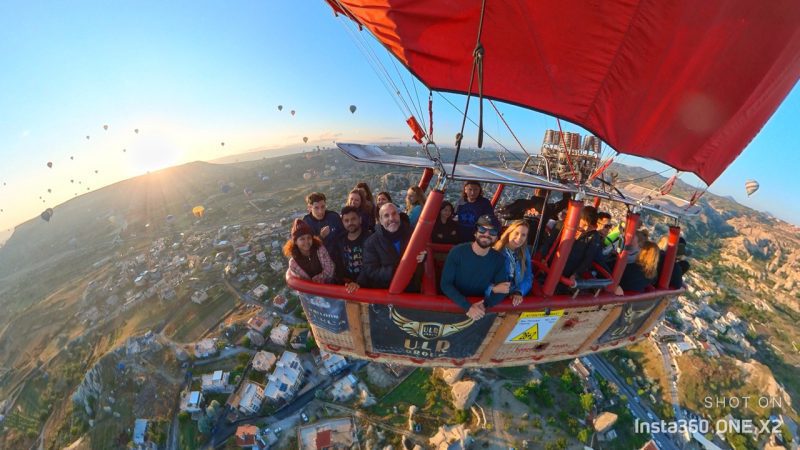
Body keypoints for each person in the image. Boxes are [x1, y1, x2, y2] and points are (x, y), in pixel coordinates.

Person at [441, 215, 510, 320]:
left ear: (496, 238)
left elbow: (503, 289)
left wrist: (485, 305)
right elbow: (446, 284)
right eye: (482, 229)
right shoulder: (457, 252)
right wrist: (468, 307)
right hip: (454, 305)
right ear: (475, 232)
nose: (486, 234)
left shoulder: (499, 259)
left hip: (479, 309)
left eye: (492, 232)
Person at [358, 203, 425, 290]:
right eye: (386, 216)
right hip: (386, 292)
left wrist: (423, 257)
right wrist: (394, 271)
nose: (391, 218)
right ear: (381, 221)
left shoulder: (413, 234)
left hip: (412, 289)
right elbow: (371, 270)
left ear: (399, 216)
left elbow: (422, 252)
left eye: (394, 214)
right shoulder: (371, 243)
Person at [330, 206, 371, 293]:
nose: (350, 223)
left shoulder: (370, 239)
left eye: (353, 219)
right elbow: (337, 262)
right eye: (346, 220)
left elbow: (370, 264)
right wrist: (343, 280)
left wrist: (358, 283)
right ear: (343, 222)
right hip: (346, 285)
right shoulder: (340, 240)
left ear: (360, 219)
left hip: (367, 285)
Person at [560, 206, 604, 286]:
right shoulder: (567, 226)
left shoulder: (594, 236)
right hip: (554, 264)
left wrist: (576, 274)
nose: (586, 228)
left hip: (569, 272)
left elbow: (588, 258)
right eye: (584, 224)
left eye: (589, 226)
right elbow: (550, 243)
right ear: (578, 219)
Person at [493, 220, 532, 306]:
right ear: (509, 232)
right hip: (497, 297)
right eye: (516, 233)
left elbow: (528, 276)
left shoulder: (524, 252)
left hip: (515, 296)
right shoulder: (496, 251)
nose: (519, 238)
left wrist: (519, 291)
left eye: (523, 235)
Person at [284, 219, 335, 283]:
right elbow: (301, 282)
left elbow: (330, 269)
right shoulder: (294, 263)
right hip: (310, 292)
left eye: (309, 237)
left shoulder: (319, 250)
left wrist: (316, 280)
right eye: (302, 239)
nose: (306, 242)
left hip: (328, 285)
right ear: (295, 242)